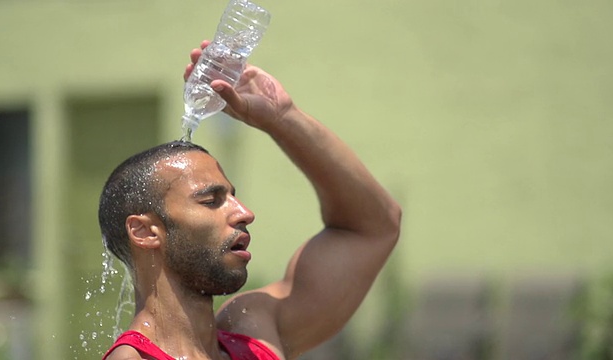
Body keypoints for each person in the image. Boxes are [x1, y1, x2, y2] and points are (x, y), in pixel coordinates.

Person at [99, 40, 402, 360]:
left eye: (233, 196)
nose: (245, 213)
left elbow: (373, 226)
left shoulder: (253, 331)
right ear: (145, 232)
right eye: (211, 201)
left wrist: (283, 118)